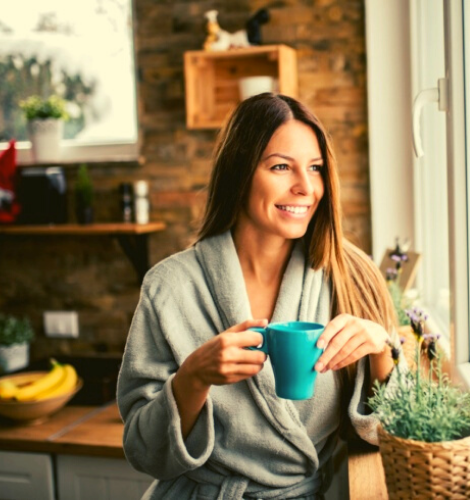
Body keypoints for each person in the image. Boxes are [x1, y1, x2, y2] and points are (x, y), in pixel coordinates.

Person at [117, 93, 398, 500]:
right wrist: (192, 378)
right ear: (240, 172)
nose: (305, 187)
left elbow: (390, 431)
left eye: (315, 168)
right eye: (281, 166)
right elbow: (144, 451)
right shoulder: (170, 286)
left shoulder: (350, 275)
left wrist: (380, 351)